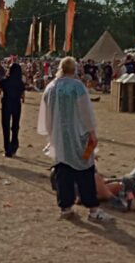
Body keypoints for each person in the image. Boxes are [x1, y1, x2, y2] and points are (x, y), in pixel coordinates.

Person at [38, 57, 112, 223]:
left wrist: (52, 133)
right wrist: (92, 132)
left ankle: (66, 207)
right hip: (78, 135)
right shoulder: (77, 87)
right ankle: (93, 209)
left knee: (63, 171)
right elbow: (86, 112)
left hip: (59, 136)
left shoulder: (51, 87)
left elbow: (47, 113)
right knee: (85, 171)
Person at [0, 62, 25, 157]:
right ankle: (14, 145)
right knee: (15, 126)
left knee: (6, 126)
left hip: (6, 103)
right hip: (16, 104)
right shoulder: (20, 83)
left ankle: (7, 149)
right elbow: (22, 96)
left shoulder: (4, 81)